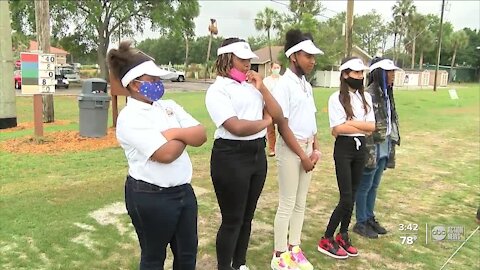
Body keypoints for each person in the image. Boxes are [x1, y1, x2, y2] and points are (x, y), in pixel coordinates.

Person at [205, 38, 305, 270]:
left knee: (247, 217)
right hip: (230, 156)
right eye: (242, 59)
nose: (247, 64)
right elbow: (236, 127)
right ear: (227, 59)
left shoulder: (252, 85)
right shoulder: (217, 90)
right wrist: (266, 121)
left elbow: (278, 114)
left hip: (256, 154)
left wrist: (262, 88)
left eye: (249, 59)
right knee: (232, 220)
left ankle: (239, 264)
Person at [108, 41, 207, 270]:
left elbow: (201, 135)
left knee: (187, 255)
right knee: (153, 258)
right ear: (134, 84)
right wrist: (185, 137)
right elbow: (166, 154)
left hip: (183, 192)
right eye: (153, 80)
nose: (159, 84)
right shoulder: (130, 117)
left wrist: (173, 133)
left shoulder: (168, 105)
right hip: (150, 196)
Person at [270, 29, 323, 270]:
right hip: (291, 150)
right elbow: (282, 125)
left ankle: (294, 248)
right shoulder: (284, 85)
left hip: (306, 148)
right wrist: (302, 155)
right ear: (293, 57)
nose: (312, 60)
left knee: (301, 202)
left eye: (313, 56)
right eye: (307, 56)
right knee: (287, 202)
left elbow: (311, 119)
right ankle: (279, 254)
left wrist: (316, 149)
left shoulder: (306, 85)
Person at [317, 57, 375, 259]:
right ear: (345, 74)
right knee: (346, 197)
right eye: (355, 73)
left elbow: (371, 127)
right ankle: (327, 237)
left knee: (354, 192)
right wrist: (357, 125)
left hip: (361, 148)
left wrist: (352, 122)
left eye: (361, 73)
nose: (359, 76)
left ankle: (343, 234)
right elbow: (337, 129)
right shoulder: (336, 98)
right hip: (344, 148)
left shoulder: (365, 98)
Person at [353, 58, 401, 239]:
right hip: (372, 145)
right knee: (365, 184)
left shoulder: (387, 92)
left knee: (374, 184)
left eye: (393, 72)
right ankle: (361, 221)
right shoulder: (369, 94)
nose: (392, 75)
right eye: (389, 72)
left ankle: (369, 216)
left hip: (385, 143)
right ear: (379, 73)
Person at [263, 62, 282, 157]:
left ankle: (282, 148)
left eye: (278, 67)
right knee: (270, 129)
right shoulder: (266, 81)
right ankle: (272, 148)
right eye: (275, 67)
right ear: (271, 69)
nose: (276, 69)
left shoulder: (283, 80)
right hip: (269, 107)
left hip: (281, 107)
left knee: (283, 128)